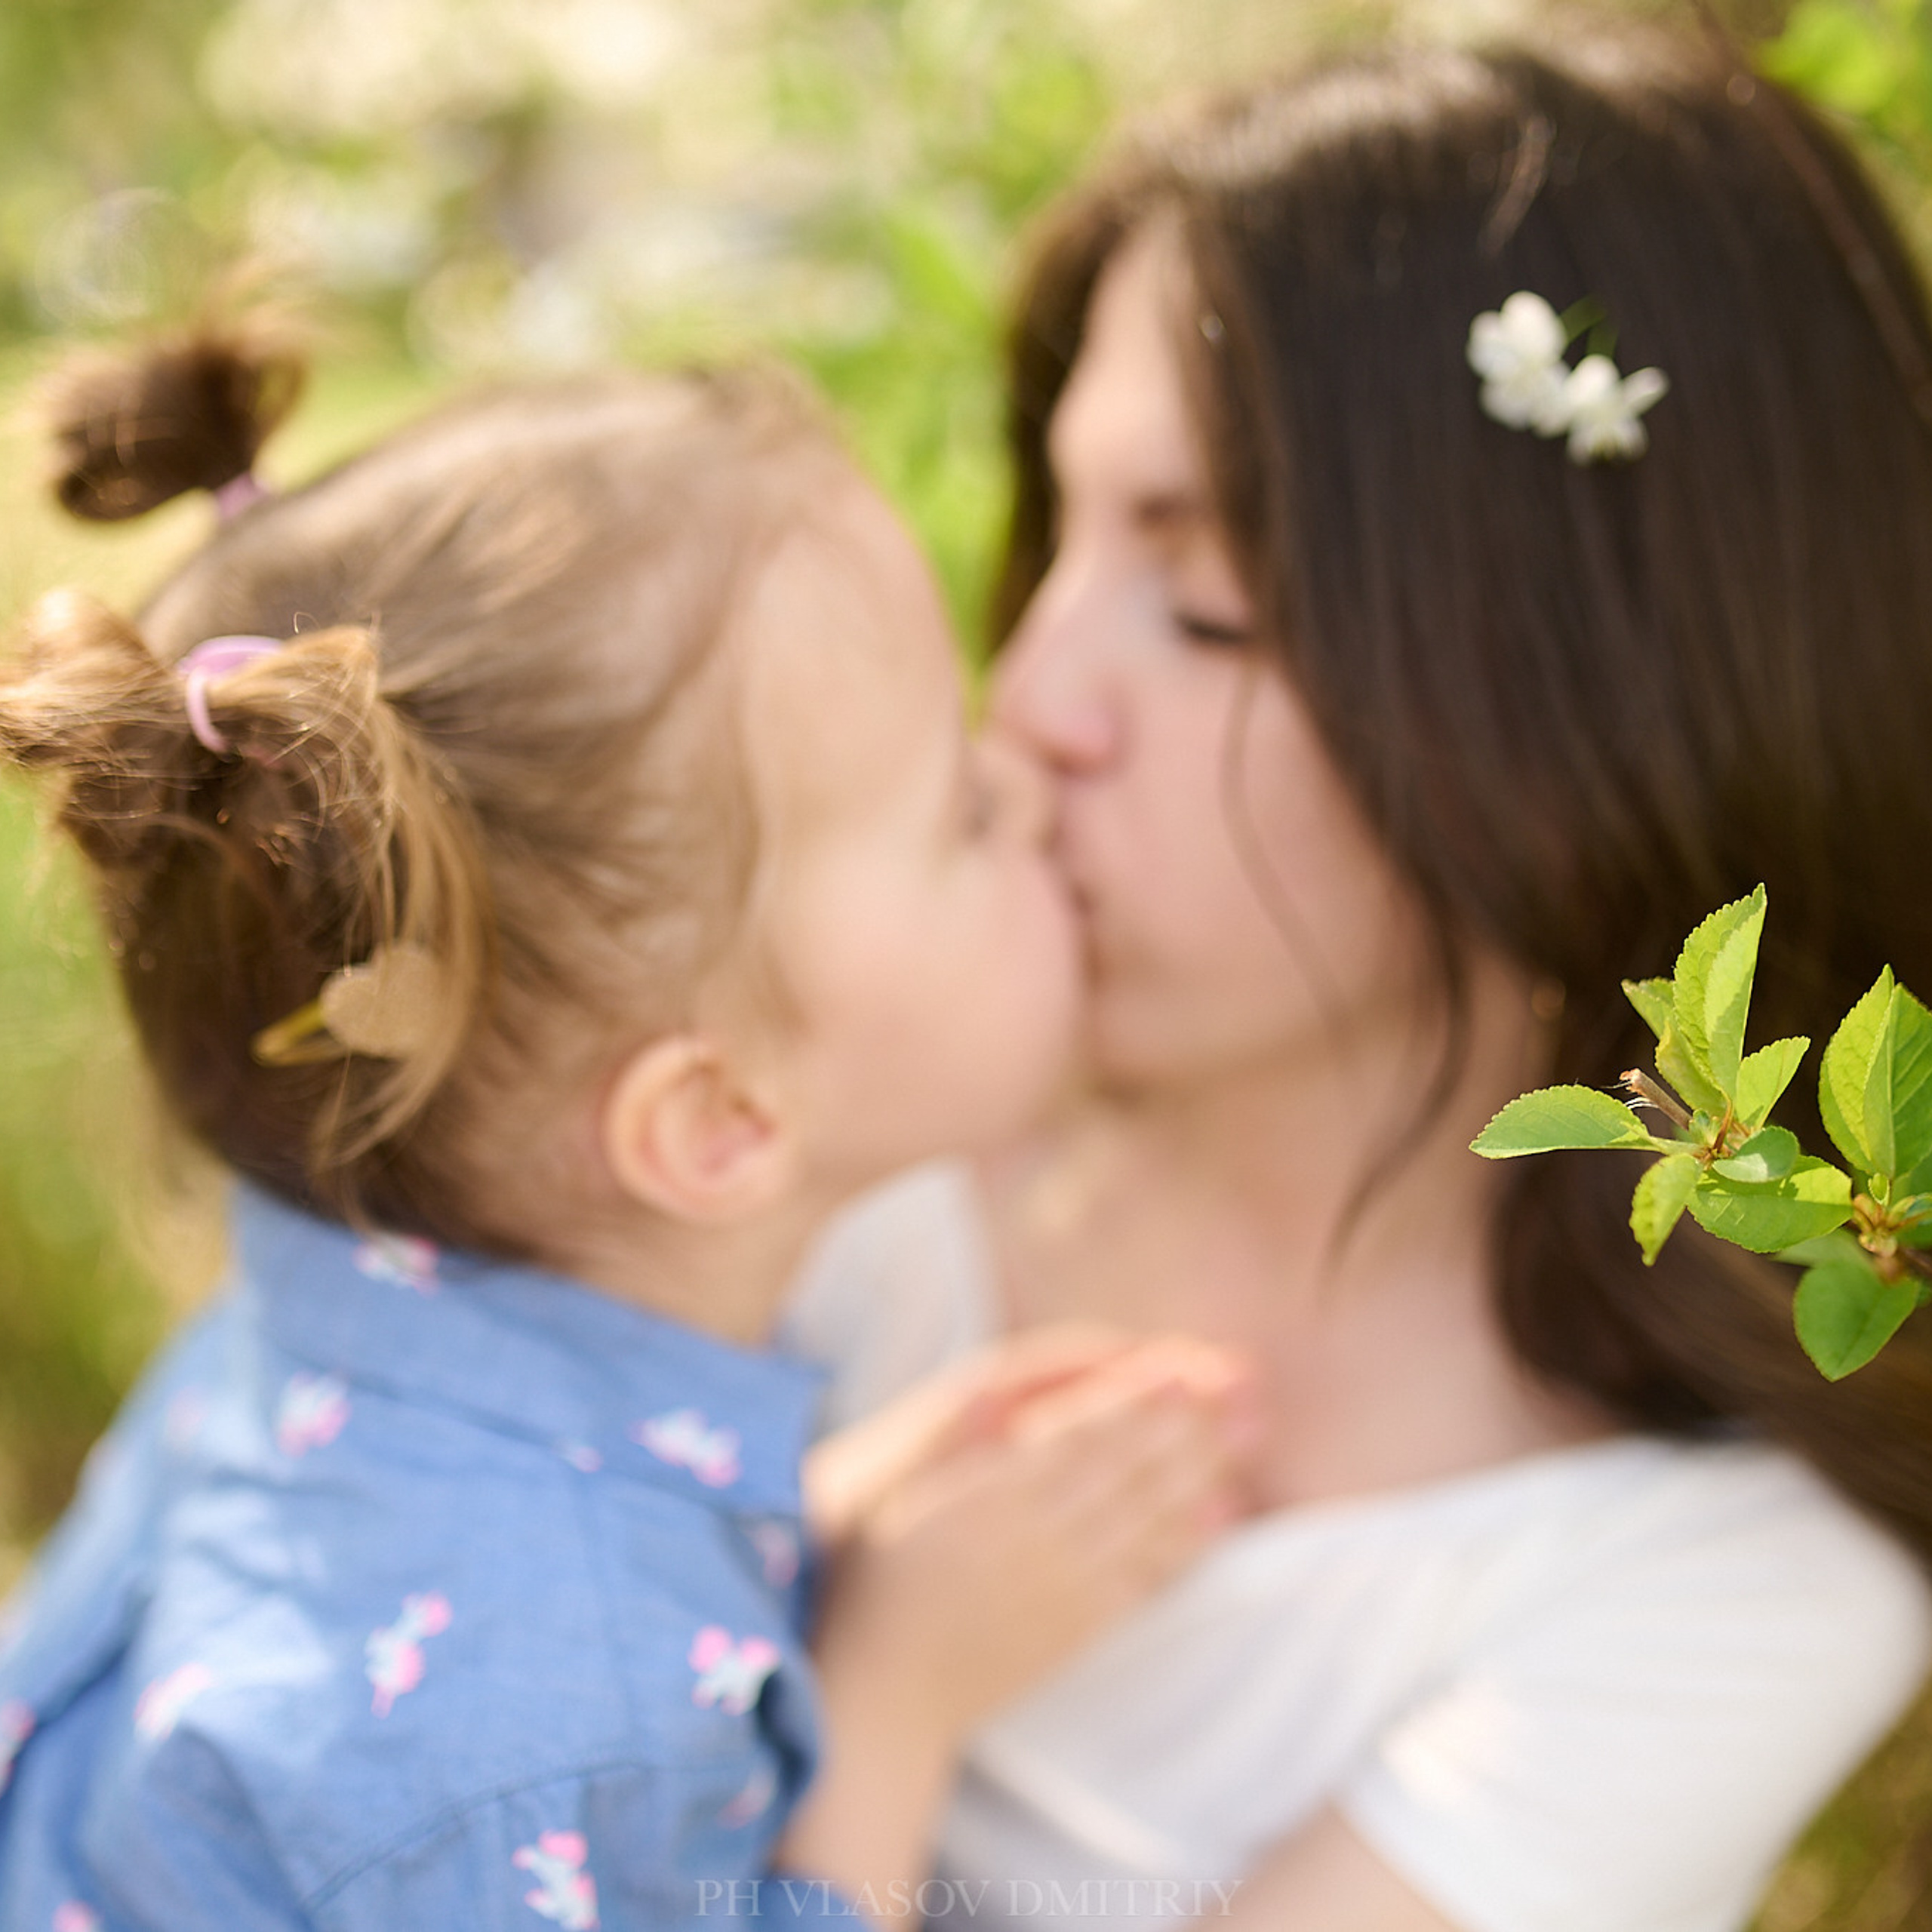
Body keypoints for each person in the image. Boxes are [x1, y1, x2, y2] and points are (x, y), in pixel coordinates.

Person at [783, 23, 1932, 1930]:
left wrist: (868, 1706)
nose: (1034, 701)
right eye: (1058, 540)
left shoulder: (1718, 1572)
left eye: (1206, 601)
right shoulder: (849, 1093)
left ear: (1586, 703)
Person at [0, 328, 1245, 1927]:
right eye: (959, 813)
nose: (1029, 773)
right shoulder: (530, 1735)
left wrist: (812, 1521)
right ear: (716, 1123)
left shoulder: (350, 1332)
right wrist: (895, 1687)